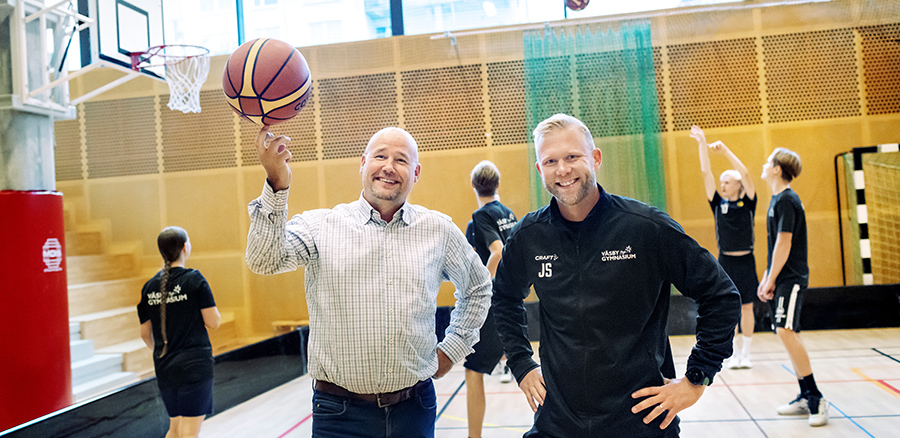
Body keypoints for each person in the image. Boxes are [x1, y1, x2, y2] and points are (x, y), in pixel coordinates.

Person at [491, 113, 741, 437]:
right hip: (558, 423)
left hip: (642, 421)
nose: (563, 169)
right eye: (550, 161)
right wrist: (522, 364)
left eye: (572, 157)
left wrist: (697, 378)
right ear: (540, 170)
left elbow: (720, 295)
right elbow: (505, 297)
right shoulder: (529, 236)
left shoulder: (646, 228)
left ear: (595, 158)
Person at [244, 125, 492, 437]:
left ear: (415, 173)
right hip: (338, 414)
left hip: (414, 409)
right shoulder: (320, 226)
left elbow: (479, 287)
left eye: (401, 160)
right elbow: (263, 259)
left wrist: (453, 347)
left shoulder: (439, 231)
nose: (389, 167)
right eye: (380, 156)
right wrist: (277, 184)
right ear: (363, 164)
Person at [757, 148, 828, 427]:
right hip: (781, 277)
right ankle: (803, 395)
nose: (764, 165)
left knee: (786, 331)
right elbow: (775, 244)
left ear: (777, 169)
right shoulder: (777, 200)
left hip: (791, 277)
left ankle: (815, 396)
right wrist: (767, 276)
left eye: (768, 162)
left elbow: (785, 244)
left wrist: (771, 278)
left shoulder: (787, 199)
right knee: (786, 331)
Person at [138, 226, 221, 438]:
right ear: (186, 247)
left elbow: (145, 334)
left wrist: (164, 348)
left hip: (165, 366)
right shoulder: (194, 279)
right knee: (189, 433)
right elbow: (213, 322)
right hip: (195, 365)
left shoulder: (149, 287)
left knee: (174, 429)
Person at [690, 125, 759, 369]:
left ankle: (747, 354)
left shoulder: (748, 201)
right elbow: (706, 173)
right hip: (726, 261)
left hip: (746, 261)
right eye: (722, 182)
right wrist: (702, 143)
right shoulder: (717, 203)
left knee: (747, 307)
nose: (723, 185)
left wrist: (725, 150)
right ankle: (733, 352)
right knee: (730, 307)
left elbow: (747, 174)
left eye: (727, 182)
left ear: (738, 185)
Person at [463, 160, 518, 438]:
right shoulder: (507, 213)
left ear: (474, 186)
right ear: (497, 184)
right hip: (513, 302)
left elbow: (497, 252)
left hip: (495, 304)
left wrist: (481, 288)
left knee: (473, 372)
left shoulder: (481, 216)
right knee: (524, 369)